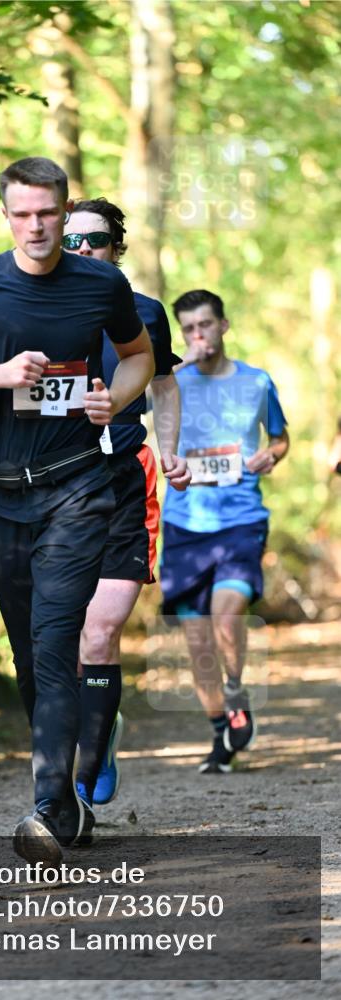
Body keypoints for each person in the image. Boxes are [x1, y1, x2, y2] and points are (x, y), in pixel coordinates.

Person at [0, 157, 155, 862]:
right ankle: (65, 793)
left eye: (47, 213)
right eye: (22, 215)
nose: (36, 227)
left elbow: (137, 356)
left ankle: (48, 806)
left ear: (63, 210)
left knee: (54, 642)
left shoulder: (102, 284)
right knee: (26, 653)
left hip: (78, 487)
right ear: (6, 216)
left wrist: (115, 396)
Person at [0, 198, 191, 813]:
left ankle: (92, 757)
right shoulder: (34, 306)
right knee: (54, 639)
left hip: (122, 478)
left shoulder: (143, 313)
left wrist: (170, 449)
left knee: (101, 630)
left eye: (97, 241)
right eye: (74, 240)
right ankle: (70, 761)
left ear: (117, 248)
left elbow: (163, 384)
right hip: (51, 487)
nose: (83, 250)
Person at [161, 289, 289, 773]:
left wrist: (271, 455)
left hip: (240, 519)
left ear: (223, 325)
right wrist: (176, 365)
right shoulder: (170, 381)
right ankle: (220, 731)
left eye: (205, 325)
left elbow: (280, 438)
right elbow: (124, 399)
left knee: (227, 611)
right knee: (197, 642)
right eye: (189, 328)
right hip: (184, 523)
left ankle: (235, 691)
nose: (199, 335)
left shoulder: (257, 382)